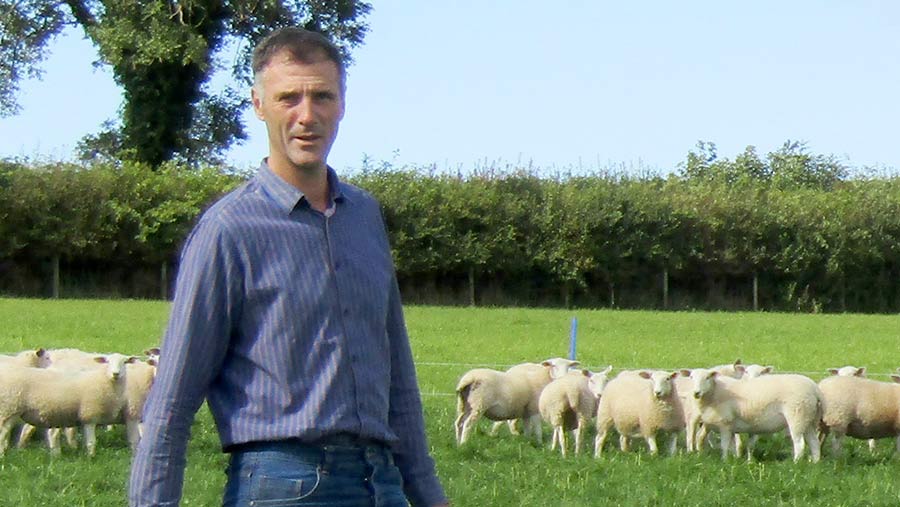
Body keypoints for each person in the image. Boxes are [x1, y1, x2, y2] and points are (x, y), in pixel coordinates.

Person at [129, 27, 449, 507]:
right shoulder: (228, 230)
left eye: (322, 96)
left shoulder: (364, 217)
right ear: (259, 105)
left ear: (342, 103)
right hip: (283, 485)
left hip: (383, 484)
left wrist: (426, 493)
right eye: (288, 98)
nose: (307, 115)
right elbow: (171, 401)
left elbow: (397, 376)